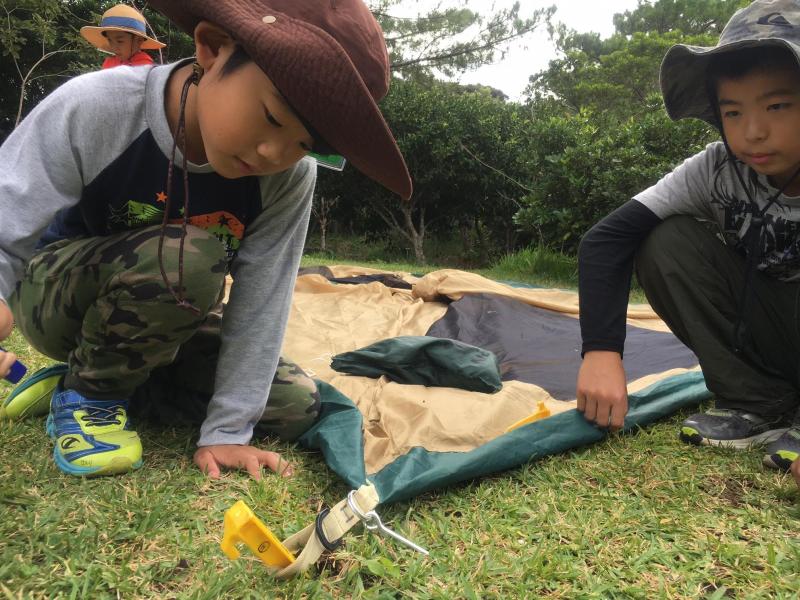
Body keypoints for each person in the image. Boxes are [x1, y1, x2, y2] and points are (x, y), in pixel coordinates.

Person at [0, 0, 411, 479]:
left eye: (303, 145)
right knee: (190, 257)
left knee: (294, 405)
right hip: (56, 295)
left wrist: (229, 432)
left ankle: (90, 377)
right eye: (273, 118)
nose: (273, 152)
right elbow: (10, 207)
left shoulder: (288, 179)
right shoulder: (97, 106)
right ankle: (92, 397)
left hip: (168, 316)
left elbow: (263, 300)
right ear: (213, 48)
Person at [576, 0, 800, 483]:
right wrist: (601, 352)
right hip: (768, 326)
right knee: (665, 240)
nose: (753, 132)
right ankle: (757, 404)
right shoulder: (717, 169)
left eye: (778, 105)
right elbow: (605, 241)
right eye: (733, 111)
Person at [80, 4, 165, 69]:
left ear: (138, 41)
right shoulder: (109, 63)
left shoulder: (145, 66)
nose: (114, 47)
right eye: (110, 40)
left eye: (120, 41)